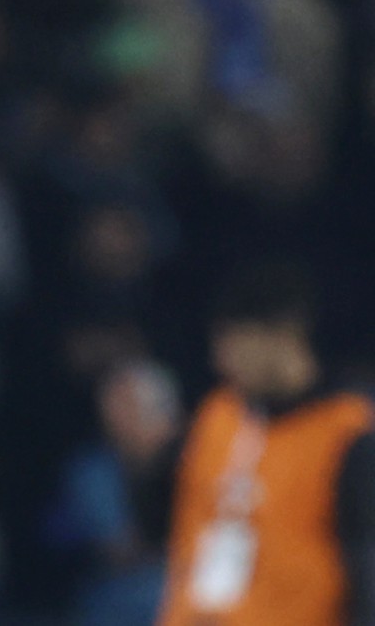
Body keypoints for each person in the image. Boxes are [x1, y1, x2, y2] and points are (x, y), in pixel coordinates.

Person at [157, 263, 375, 626]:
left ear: (284, 334)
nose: (222, 361)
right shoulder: (218, 416)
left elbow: (366, 561)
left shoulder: (346, 431)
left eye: (235, 344)